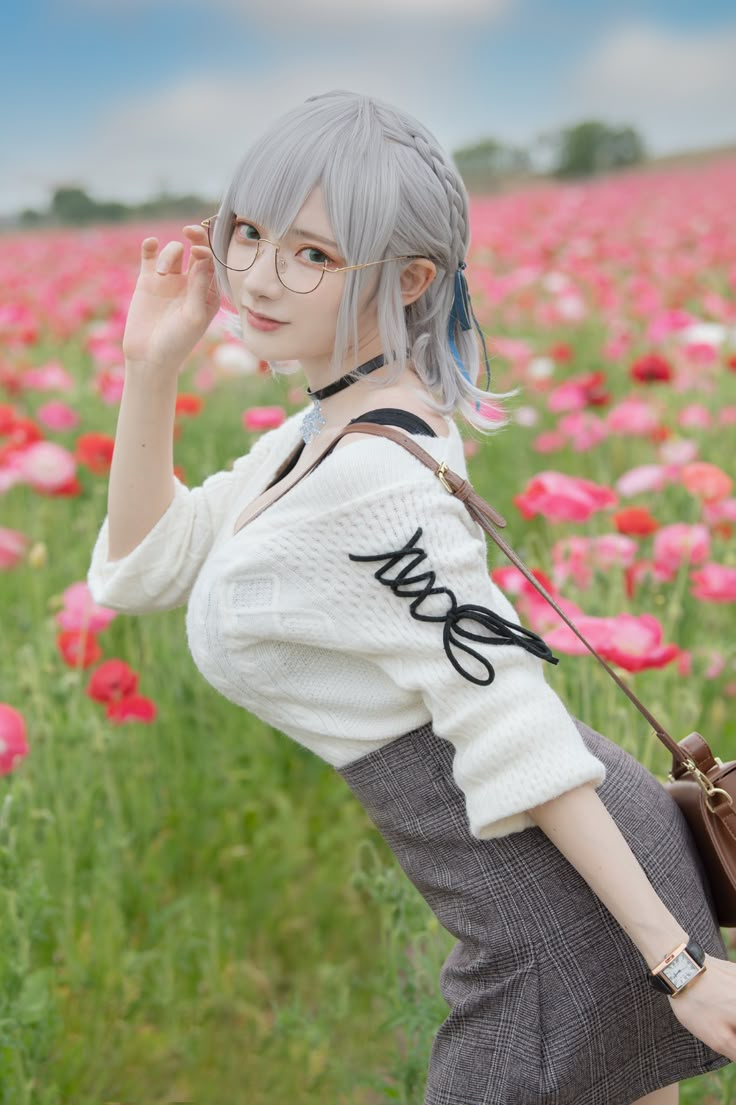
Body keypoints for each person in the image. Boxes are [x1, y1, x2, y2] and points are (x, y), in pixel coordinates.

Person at [87, 89, 736, 1105]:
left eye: (310, 254)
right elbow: (145, 567)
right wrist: (148, 366)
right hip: (566, 900)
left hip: (570, 923)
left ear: (413, 278)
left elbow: (511, 722)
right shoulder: (328, 430)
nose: (256, 274)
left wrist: (679, 967)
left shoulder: (373, 481)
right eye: (246, 232)